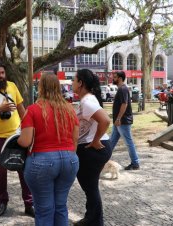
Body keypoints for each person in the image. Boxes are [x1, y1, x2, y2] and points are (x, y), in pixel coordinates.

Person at [17, 72, 80, 226]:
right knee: (60, 206)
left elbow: (25, 141)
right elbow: (75, 138)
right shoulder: (70, 109)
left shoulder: (32, 110)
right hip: (69, 160)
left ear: (40, 88)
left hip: (41, 161)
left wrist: (16, 137)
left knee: (44, 209)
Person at [0, 60, 34, 217]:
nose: (1, 76)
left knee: (23, 167)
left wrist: (28, 128)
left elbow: (21, 109)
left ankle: (29, 203)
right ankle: (2, 201)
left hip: (17, 134)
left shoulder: (12, 85)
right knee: (1, 169)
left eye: (3, 73)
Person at [72, 69, 112, 226]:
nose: (72, 83)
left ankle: (95, 221)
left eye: (74, 80)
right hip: (94, 148)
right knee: (91, 187)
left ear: (81, 83)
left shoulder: (87, 101)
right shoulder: (87, 99)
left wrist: (95, 141)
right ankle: (92, 219)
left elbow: (106, 120)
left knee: (90, 187)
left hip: (93, 149)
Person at [110, 71, 140, 170]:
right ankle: (102, 160)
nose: (113, 78)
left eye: (115, 77)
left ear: (120, 78)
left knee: (128, 142)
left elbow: (124, 104)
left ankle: (135, 163)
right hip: (118, 121)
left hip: (122, 121)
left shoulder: (123, 89)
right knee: (111, 142)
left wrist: (118, 118)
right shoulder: (121, 89)